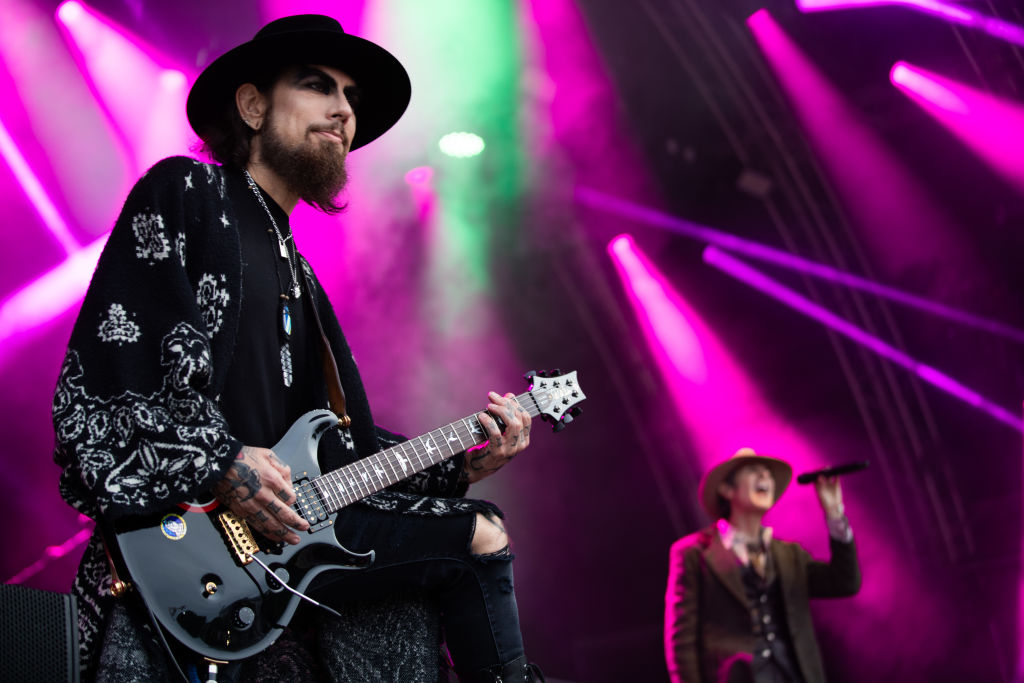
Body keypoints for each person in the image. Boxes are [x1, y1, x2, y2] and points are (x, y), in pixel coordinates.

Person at [52, 14, 544, 683]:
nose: (344, 110)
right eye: (318, 86)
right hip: (182, 548)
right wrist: (222, 462)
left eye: (351, 97)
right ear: (252, 106)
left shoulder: (301, 274)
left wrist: (457, 461)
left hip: (285, 567)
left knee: (471, 525)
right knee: (478, 533)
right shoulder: (187, 194)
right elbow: (107, 383)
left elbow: (337, 447)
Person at [663, 448, 861, 683]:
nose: (765, 476)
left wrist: (834, 513)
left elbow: (845, 582)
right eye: (753, 471)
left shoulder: (789, 555)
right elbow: (682, 641)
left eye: (768, 473)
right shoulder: (695, 554)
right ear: (727, 489)